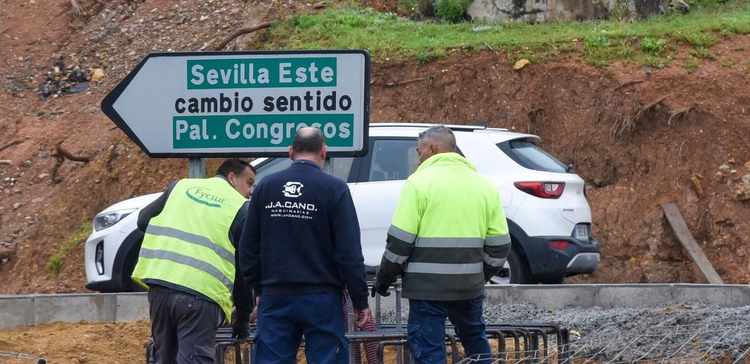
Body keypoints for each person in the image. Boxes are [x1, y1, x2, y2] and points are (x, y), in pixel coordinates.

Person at [373, 125, 509, 364]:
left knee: (429, 351)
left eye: (419, 152)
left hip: (427, 290)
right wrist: (478, 275)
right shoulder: (484, 187)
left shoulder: (418, 184)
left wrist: (384, 279)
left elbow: (399, 243)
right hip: (469, 287)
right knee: (475, 340)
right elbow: (500, 245)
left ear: (433, 149)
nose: (418, 159)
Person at [238, 127, 370, 364]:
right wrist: (361, 302)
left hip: (275, 296)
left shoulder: (266, 187)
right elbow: (349, 254)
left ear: (290, 152)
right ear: (323, 151)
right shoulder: (335, 189)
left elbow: (247, 248)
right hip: (323, 300)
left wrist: (259, 289)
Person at [132, 159, 257, 364]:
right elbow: (243, 268)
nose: (251, 190)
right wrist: (243, 317)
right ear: (232, 178)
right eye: (249, 182)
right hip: (200, 297)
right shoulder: (240, 208)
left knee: (164, 359)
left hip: (160, 288)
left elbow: (143, 220)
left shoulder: (180, 186)